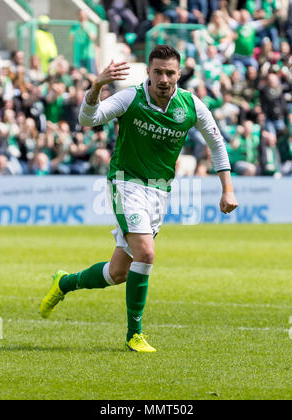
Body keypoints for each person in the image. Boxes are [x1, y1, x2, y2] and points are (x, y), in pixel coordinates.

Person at [40, 45, 238, 353]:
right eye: (157, 71)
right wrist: (96, 87)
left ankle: (64, 282)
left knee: (117, 272)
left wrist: (228, 188)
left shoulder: (191, 105)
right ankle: (135, 334)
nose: (163, 78)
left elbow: (216, 142)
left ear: (179, 74)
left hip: (159, 191)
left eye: (169, 73)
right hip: (125, 182)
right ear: (148, 71)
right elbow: (87, 120)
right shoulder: (130, 97)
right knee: (146, 252)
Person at [70, 10, 98, 75]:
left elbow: (92, 38)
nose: (82, 16)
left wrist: (85, 28)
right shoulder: (75, 26)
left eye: (83, 14)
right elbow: (71, 38)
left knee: (92, 75)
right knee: (79, 75)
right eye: (80, 14)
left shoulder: (91, 26)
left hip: (89, 55)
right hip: (78, 56)